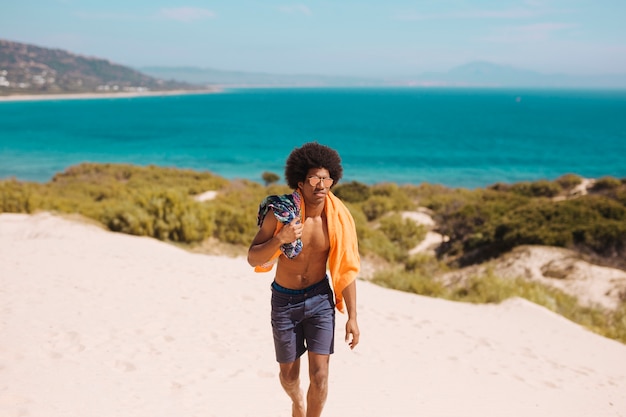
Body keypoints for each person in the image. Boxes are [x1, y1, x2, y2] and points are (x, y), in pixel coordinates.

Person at [247, 142, 360, 417]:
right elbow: (253, 257)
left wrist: (353, 316)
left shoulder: (337, 219)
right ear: (300, 182)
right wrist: (280, 239)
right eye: (314, 179)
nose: (321, 185)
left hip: (320, 299)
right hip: (285, 301)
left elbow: (347, 267)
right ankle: (297, 401)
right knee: (288, 375)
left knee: (320, 375)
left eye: (326, 178)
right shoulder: (281, 214)